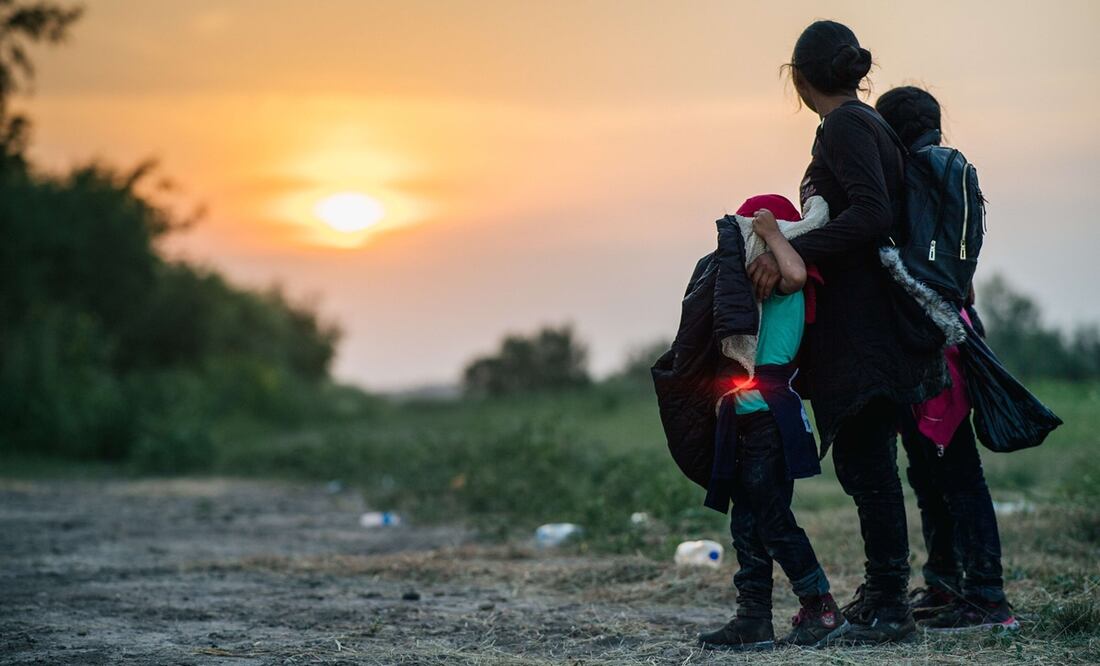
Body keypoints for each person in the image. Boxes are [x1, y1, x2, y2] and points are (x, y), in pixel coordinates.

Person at [747, 21, 949, 644]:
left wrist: (785, 244)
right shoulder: (865, 125)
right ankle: (883, 595)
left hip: (868, 328)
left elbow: (871, 216)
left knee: (868, 466)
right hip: (871, 324)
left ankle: (891, 606)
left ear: (801, 80)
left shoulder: (846, 126)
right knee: (868, 466)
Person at [875, 86, 1019, 632]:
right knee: (933, 472)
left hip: (927, 340)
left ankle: (984, 595)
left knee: (953, 474)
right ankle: (945, 583)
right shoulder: (952, 174)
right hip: (951, 330)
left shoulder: (911, 177)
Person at [698, 194, 849, 651]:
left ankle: (820, 608)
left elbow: (797, 271)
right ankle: (753, 620)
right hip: (742, 417)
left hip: (771, 419)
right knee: (745, 523)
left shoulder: (785, 281)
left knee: (773, 519)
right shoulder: (750, 288)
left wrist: (770, 234)